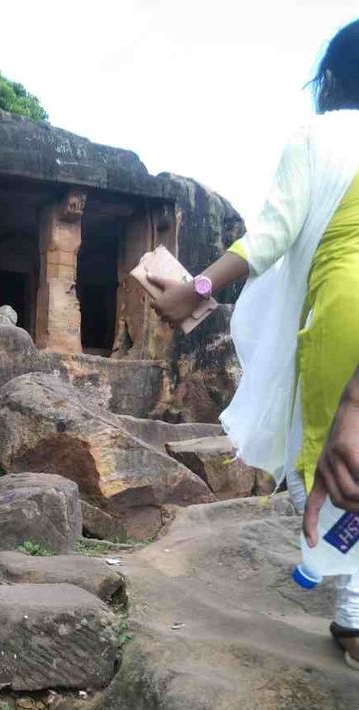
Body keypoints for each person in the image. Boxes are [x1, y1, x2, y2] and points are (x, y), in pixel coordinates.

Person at [149, 19, 359, 668]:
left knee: (327, 467)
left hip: (343, 309)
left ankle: (354, 612)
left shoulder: (319, 135)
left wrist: (195, 290)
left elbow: (267, 239)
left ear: (330, 80)